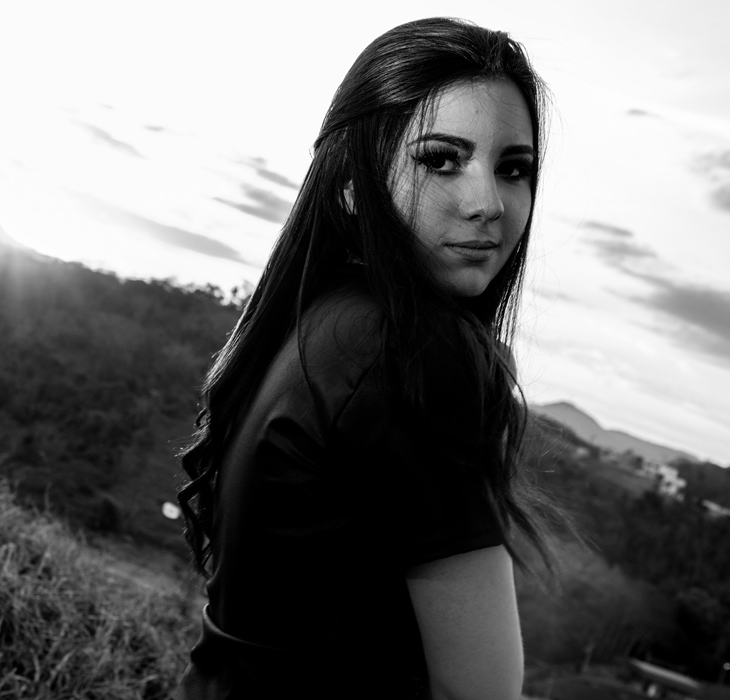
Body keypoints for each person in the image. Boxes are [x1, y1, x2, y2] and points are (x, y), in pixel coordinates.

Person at [175, 17, 561, 700]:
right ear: (352, 182)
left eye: (512, 169)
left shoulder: (319, 320)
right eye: (440, 160)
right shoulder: (413, 351)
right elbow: (479, 691)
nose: (488, 204)